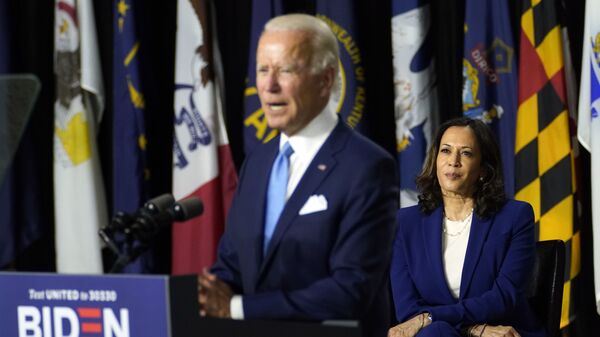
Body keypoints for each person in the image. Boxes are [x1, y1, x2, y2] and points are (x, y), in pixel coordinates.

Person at [198, 13, 398, 337]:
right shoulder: (258, 162)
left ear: (326, 79)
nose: (269, 85)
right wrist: (203, 294)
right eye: (263, 69)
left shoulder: (368, 167)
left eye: (286, 70)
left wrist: (237, 309)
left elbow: (350, 290)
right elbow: (233, 263)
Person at [389, 117, 546, 337]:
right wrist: (470, 329)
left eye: (466, 153)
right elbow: (407, 308)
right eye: (445, 151)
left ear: (483, 169)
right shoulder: (406, 224)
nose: (453, 161)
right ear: (435, 160)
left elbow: (504, 296)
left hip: (500, 330)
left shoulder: (514, 217)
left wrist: (432, 318)